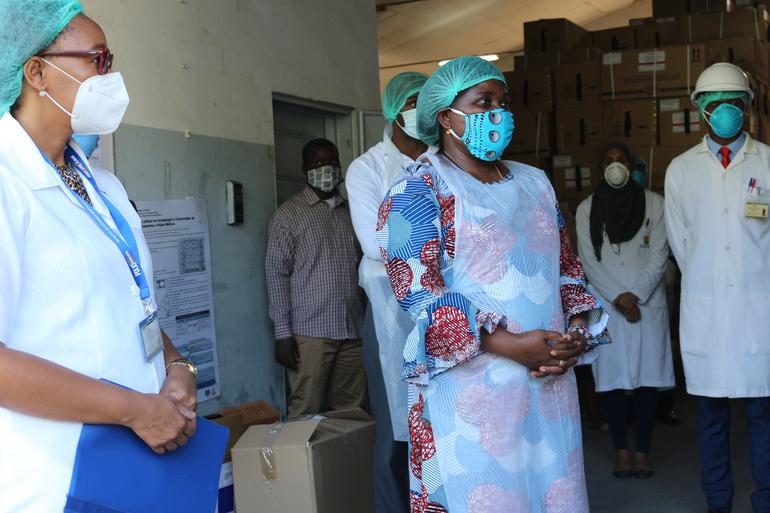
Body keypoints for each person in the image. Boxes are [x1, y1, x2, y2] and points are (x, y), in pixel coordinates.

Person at [377, 56, 609, 512]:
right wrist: (513, 345)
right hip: (472, 395)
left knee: (553, 496)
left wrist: (576, 335)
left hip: (548, 385)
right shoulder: (419, 190)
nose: (498, 114)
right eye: (483, 103)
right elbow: (421, 294)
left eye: (503, 102)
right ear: (445, 116)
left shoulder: (535, 183)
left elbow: (566, 269)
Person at [0, 3, 198, 511]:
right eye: (98, 60)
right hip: (55, 476)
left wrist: (177, 368)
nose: (111, 77)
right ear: (37, 71)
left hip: (138, 461)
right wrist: (133, 410)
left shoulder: (100, 183)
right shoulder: (7, 182)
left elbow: (132, 301)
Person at [666, 62, 770, 513]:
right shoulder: (681, 169)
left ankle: (765, 499)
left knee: (763, 417)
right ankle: (719, 502)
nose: (725, 110)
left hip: (760, 312)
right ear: (701, 110)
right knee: (711, 419)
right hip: (707, 310)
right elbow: (681, 243)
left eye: (734, 102)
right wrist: (714, 279)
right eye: (716, 103)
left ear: (747, 107)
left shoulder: (767, 161)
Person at [346, 71, 430, 513]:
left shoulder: (444, 161)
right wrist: (434, 240)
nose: (423, 110)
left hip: (441, 309)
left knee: (436, 423)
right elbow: (374, 242)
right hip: (387, 311)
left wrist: (408, 232)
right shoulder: (368, 168)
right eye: (415, 102)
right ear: (396, 110)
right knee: (394, 428)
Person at [576, 142, 675, 479]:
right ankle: (621, 451)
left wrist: (637, 295)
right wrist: (619, 297)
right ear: (600, 167)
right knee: (612, 383)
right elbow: (588, 261)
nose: (615, 167)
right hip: (607, 305)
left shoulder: (655, 204)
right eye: (608, 161)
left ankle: (643, 452)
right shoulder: (587, 209)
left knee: (647, 382)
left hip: (645, 302)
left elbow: (659, 253)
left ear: (632, 166)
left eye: (621, 161)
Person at [266, 138, 366, 418]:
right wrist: (282, 334)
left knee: (351, 413)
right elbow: (276, 275)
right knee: (305, 411)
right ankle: (301, 464)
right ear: (304, 169)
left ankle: (341, 463)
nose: (327, 168)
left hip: (353, 330)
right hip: (309, 334)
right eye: (318, 163)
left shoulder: (352, 213)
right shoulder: (288, 215)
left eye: (332, 162)